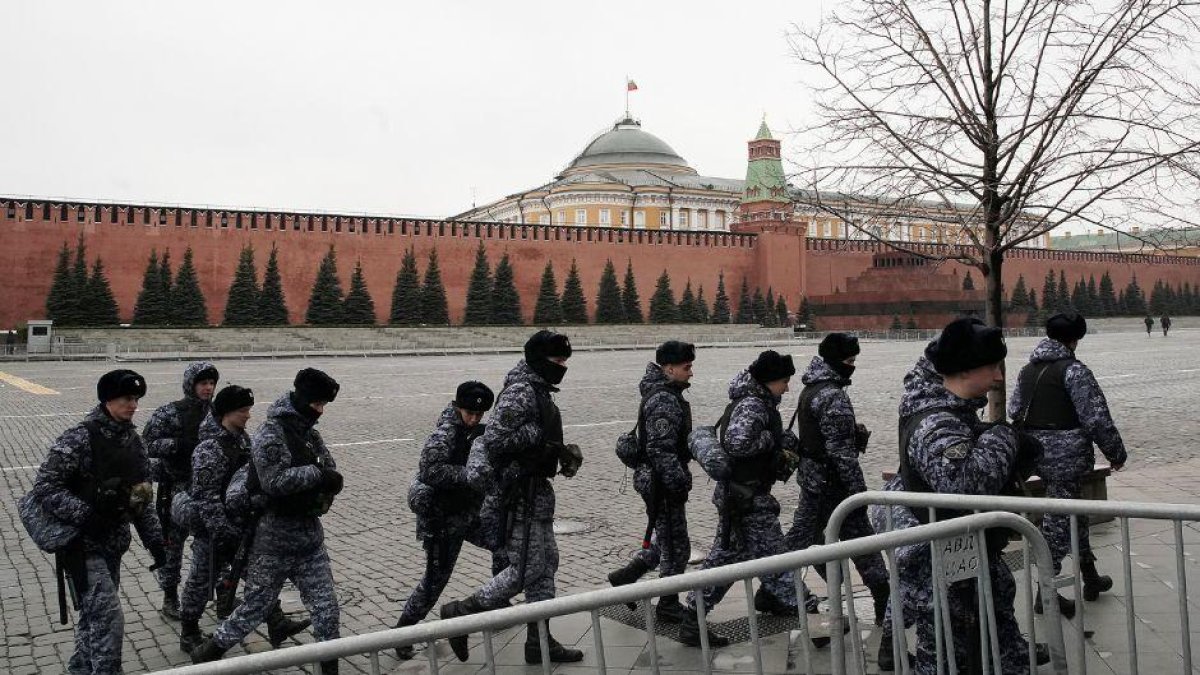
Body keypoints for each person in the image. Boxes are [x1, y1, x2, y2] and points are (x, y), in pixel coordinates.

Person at [880, 317, 1040, 674]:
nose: (999, 377)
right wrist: (1005, 437)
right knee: (948, 658)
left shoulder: (951, 412)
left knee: (997, 651)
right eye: (992, 367)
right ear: (966, 371)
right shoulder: (936, 423)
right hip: (948, 577)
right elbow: (964, 484)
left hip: (969, 566)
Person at [440, 330, 585, 665]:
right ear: (538, 360)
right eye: (557, 361)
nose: (562, 367)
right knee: (525, 569)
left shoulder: (538, 390)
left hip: (536, 492)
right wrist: (539, 437)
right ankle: (460, 614)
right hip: (518, 495)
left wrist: (556, 451)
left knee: (547, 565)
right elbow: (495, 439)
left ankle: (539, 642)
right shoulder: (520, 391)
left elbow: (536, 441)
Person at [191, 368, 344, 675]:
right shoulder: (272, 433)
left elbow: (330, 466)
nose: (320, 411)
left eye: (324, 404)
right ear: (302, 400)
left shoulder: (308, 434)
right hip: (273, 541)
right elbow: (274, 481)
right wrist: (318, 476)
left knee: (327, 611)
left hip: (309, 540)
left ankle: (329, 669)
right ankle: (210, 651)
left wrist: (326, 478)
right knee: (255, 607)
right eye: (317, 404)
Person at [31, 369, 166, 674]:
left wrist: (156, 543)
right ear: (107, 400)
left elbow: (142, 497)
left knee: (94, 616)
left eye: (135, 399)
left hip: (112, 544)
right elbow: (45, 487)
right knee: (108, 617)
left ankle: (80, 668)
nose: (133, 405)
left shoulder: (134, 441)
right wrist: (86, 515)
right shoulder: (80, 437)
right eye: (125, 399)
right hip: (82, 545)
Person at [682, 350, 811, 648]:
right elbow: (738, 443)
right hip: (746, 498)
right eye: (783, 381)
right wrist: (772, 439)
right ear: (768, 381)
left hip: (743, 495)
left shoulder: (757, 401)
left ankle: (693, 616)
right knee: (776, 558)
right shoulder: (753, 404)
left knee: (726, 560)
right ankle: (810, 614)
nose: (787, 387)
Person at [1009, 312, 1127, 618]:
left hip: (1035, 456)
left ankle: (1090, 577)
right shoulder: (1074, 372)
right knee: (1059, 522)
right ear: (1075, 339)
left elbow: (1015, 410)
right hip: (1066, 458)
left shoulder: (1027, 370)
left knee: (1075, 514)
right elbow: (1096, 417)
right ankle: (1045, 592)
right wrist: (1116, 453)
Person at [178, 384, 309, 654]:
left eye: (248, 410)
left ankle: (276, 622)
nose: (248, 415)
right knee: (201, 580)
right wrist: (222, 532)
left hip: (241, 527)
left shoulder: (242, 440)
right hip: (213, 530)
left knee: (261, 578)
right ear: (226, 413)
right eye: (242, 411)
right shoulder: (209, 448)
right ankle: (189, 630)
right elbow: (206, 497)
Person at [785, 334, 892, 655]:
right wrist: (858, 494)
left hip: (814, 484)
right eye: (849, 362)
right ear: (836, 361)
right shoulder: (832, 396)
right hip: (834, 489)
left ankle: (781, 588)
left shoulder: (811, 388)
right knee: (864, 546)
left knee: (800, 542)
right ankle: (883, 606)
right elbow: (842, 454)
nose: (853, 367)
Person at [392, 381, 496, 660]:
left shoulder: (478, 431)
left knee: (505, 544)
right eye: (469, 413)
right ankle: (402, 633)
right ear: (457, 407)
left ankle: (499, 602)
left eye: (479, 414)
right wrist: (468, 475)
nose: (474, 418)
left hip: (470, 514)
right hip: (442, 519)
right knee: (434, 582)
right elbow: (429, 471)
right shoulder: (445, 434)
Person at [606, 340, 696, 625]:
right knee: (677, 545)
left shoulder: (665, 393)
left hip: (656, 478)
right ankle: (667, 604)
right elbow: (660, 449)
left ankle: (626, 576)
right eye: (686, 366)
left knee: (665, 536)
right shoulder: (664, 399)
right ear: (669, 368)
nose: (691, 372)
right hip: (660, 481)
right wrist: (678, 483)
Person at [143, 361, 219, 620]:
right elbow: (148, 443)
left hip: (207, 489)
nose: (208, 388)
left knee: (214, 542)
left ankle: (218, 591)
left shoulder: (218, 412)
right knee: (172, 546)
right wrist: (177, 445)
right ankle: (170, 596)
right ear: (191, 385)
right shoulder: (170, 412)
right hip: (175, 488)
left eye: (211, 383)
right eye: (203, 383)